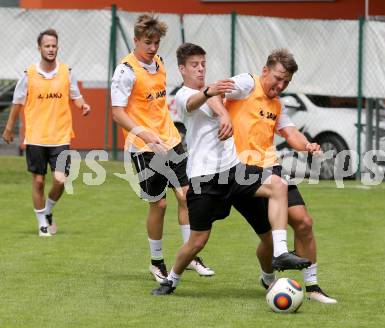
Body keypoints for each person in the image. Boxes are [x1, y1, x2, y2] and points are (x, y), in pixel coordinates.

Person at [151, 43, 311, 296]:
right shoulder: (182, 95)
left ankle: (280, 253)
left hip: (234, 170)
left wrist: (222, 109)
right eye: (194, 65)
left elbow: (216, 91)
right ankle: (171, 279)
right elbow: (194, 101)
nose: (200, 69)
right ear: (182, 69)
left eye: (203, 64)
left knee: (278, 185)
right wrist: (221, 111)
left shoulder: (219, 91)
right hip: (204, 178)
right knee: (197, 241)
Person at [219, 49, 337, 304]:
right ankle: (267, 276)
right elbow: (214, 92)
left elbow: (292, 134)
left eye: (286, 82)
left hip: (271, 169)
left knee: (304, 222)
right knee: (269, 241)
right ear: (265, 71)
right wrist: (222, 115)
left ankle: (313, 286)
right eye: (278, 78)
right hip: (242, 172)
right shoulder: (246, 84)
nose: (281, 85)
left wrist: (307, 145)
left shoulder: (276, 104)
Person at [111, 14, 214, 282]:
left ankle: (190, 256)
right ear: (135, 40)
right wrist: (144, 134)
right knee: (159, 205)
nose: (153, 48)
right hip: (144, 148)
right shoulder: (126, 71)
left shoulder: (159, 63)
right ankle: (157, 262)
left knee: (186, 195)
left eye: (156, 42)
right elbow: (117, 113)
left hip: (170, 140)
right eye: (148, 42)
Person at [2, 28, 91, 237]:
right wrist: (8, 127)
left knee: (60, 180)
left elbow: (76, 96)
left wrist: (83, 105)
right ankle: (42, 222)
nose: (51, 49)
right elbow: (17, 103)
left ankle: (48, 210)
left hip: (60, 136)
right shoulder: (29, 74)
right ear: (39, 48)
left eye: (53, 46)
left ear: (57, 47)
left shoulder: (67, 72)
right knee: (39, 181)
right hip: (36, 137)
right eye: (47, 46)